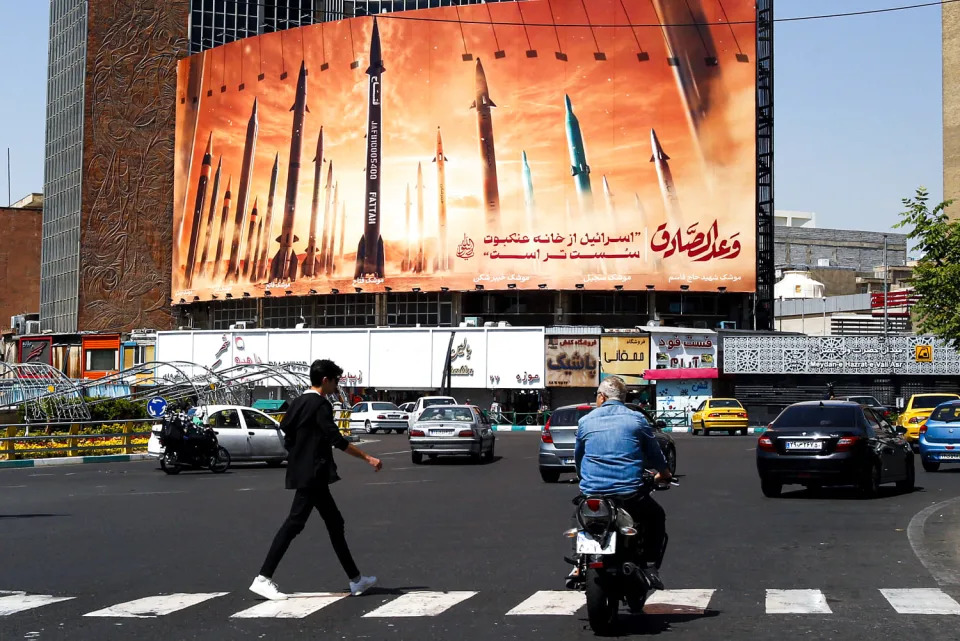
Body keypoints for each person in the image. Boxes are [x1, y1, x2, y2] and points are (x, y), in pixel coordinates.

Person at [250, 359, 383, 601]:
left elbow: (287, 430)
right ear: (325, 380)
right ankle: (263, 578)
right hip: (313, 474)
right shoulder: (321, 405)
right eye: (335, 381)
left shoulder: (299, 402)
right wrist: (367, 457)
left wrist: (299, 454)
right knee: (294, 524)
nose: (337, 385)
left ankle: (356, 579)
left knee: (334, 523)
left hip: (307, 472)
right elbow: (336, 439)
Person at [574, 376, 672, 589]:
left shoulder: (585, 421)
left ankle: (578, 562)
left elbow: (579, 458)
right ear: (623, 398)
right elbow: (655, 455)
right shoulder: (636, 420)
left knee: (580, 516)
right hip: (629, 494)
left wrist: (585, 480)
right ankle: (649, 564)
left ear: (601, 396)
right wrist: (664, 474)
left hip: (592, 494)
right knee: (656, 516)